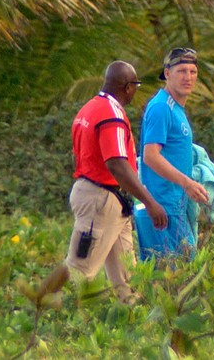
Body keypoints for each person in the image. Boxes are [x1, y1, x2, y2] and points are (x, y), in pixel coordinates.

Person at [65, 60, 167, 303]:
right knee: (79, 271)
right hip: (101, 199)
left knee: (127, 278)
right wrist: (150, 202)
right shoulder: (112, 116)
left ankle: (131, 322)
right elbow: (117, 164)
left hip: (108, 199)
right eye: (136, 85)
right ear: (128, 87)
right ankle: (50, 324)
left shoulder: (89, 108)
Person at [135, 47, 209, 261]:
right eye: (182, 71)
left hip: (174, 205)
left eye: (193, 71)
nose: (188, 77)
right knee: (168, 280)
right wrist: (186, 183)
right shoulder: (161, 107)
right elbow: (150, 155)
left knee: (183, 275)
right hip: (160, 207)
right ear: (167, 73)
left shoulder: (176, 108)